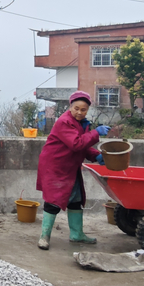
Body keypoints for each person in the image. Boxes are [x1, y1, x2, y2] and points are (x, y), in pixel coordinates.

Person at [36, 91, 109, 250]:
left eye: (83, 110)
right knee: (54, 200)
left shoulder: (82, 124)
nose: (79, 112)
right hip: (56, 166)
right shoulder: (64, 122)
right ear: (70, 107)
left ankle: (77, 234)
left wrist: (96, 156)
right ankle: (44, 237)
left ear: (88, 110)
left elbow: (82, 146)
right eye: (76, 108)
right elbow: (76, 144)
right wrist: (96, 133)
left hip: (70, 166)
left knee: (76, 200)